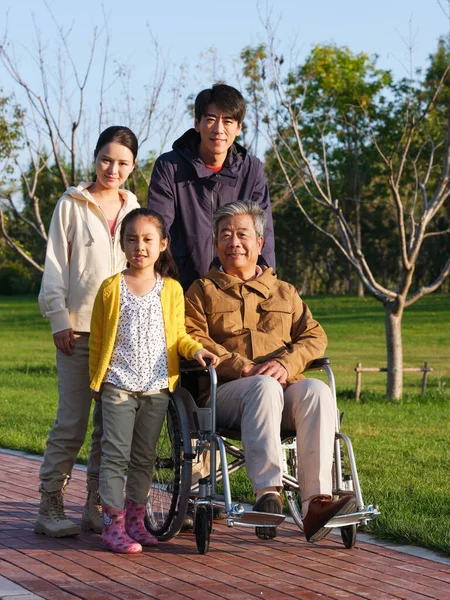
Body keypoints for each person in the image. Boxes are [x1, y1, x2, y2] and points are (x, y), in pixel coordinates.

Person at [185, 200, 356, 543]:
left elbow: (314, 335)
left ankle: (316, 502)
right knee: (262, 386)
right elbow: (192, 335)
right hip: (229, 391)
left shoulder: (285, 292)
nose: (234, 241)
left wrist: (286, 363)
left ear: (259, 243)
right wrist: (242, 366)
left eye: (242, 234)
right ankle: (268, 494)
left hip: (283, 387)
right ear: (216, 243)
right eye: (225, 235)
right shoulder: (202, 291)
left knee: (318, 391)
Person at [89, 208, 219, 554]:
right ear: (122, 244)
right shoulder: (111, 288)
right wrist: (96, 383)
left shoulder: (173, 290)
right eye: (131, 239)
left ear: (163, 244)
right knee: (115, 456)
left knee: (144, 457)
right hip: (118, 384)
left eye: (147, 239)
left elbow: (178, 336)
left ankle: (135, 522)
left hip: (157, 386)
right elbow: (99, 341)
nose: (139, 247)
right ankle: (112, 527)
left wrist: (197, 351)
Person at [36, 126, 141, 538]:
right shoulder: (71, 204)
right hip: (77, 331)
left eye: (122, 163)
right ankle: (49, 505)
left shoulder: (134, 207)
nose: (112, 169)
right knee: (73, 422)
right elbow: (56, 266)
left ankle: (96, 507)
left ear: (133, 166)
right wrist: (59, 318)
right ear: (95, 157)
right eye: (105, 159)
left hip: (121, 332)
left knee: (110, 426)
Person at [147, 83, 276, 292]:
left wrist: (266, 285)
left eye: (228, 121)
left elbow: (264, 233)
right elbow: (158, 229)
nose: (219, 129)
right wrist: (161, 284)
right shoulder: (169, 167)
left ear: (239, 127)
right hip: (182, 288)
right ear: (197, 123)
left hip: (239, 289)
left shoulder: (252, 170)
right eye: (211, 120)